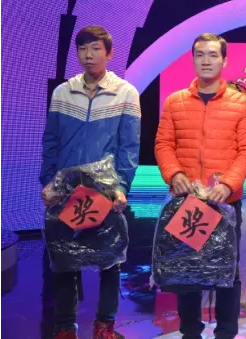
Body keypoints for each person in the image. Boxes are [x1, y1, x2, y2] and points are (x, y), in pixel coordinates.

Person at [155, 33, 246, 339]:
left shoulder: (241, 103)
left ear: (224, 61)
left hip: (224, 204)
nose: (206, 60)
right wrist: (174, 174)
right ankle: (190, 332)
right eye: (200, 54)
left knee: (227, 271)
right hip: (186, 201)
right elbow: (163, 144)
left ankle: (226, 332)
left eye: (213, 55)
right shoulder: (175, 101)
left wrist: (227, 185)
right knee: (185, 269)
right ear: (192, 59)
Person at [40, 26, 141, 339]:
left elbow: (129, 146)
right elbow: (51, 141)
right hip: (66, 191)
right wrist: (48, 182)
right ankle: (65, 327)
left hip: (104, 191)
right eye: (83, 48)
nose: (88, 55)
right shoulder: (62, 92)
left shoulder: (126, 93)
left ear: (109, 53)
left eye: (96, 48)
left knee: (110, 261)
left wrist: (121, 187)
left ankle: (104, 326)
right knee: (63, 259)